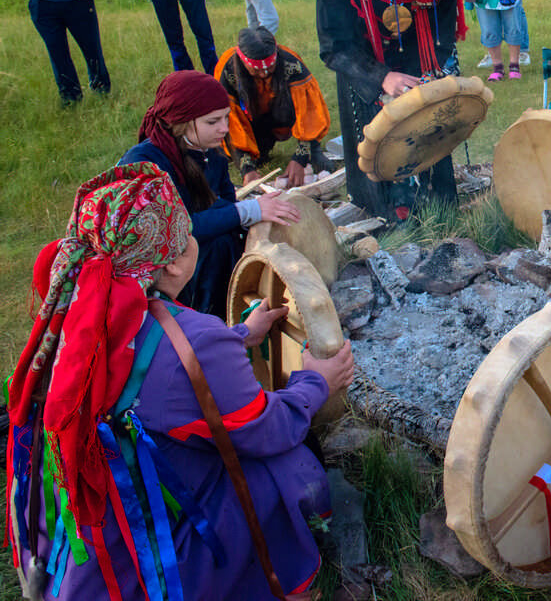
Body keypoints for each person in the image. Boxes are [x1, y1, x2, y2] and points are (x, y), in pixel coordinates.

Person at [6, 162, 355, 600]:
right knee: (286, 466)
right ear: (172, 263)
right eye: (187, 232)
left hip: (85, 535)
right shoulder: (194, 342)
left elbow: (150, 369)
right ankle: (266, 580)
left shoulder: (73, 319)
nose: (194, 239)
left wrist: (240, 336)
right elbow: (265, 429)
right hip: (145, 546)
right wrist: (314, 382)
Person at [317, 0, 464, 223]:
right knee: (374, 139)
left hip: (419, 48)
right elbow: (334, 43)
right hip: (364, 50)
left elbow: (444, 32)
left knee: (429, 120)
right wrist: (380, 77)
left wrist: (429, 73)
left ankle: (441, 210)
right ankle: (384, 214)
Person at [120, 70, 300, 316]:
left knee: (228, 234)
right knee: (219, 243)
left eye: (226, 118)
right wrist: (248, 210)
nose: (224, 128)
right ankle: (205, 318)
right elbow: (175, 230)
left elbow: (225, 204)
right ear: (181, 121)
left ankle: (232, 314)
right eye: (213, 122)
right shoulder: (145, 164)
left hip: (193, 256)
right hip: (154, 272)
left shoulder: (209, 151)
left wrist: (257, 219)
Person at [215, 26, 335, 183]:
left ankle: (313, 148)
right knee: (241, 154)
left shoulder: (290, 64)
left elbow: (309, 111)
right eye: (256, 70)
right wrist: (246, 169)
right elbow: (231, 121)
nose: (264, 74)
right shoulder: (227, 70)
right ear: (244, 62)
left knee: (308, 122)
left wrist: (300, 158)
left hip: (282, 113)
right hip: (252, 118)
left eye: (270, 67)